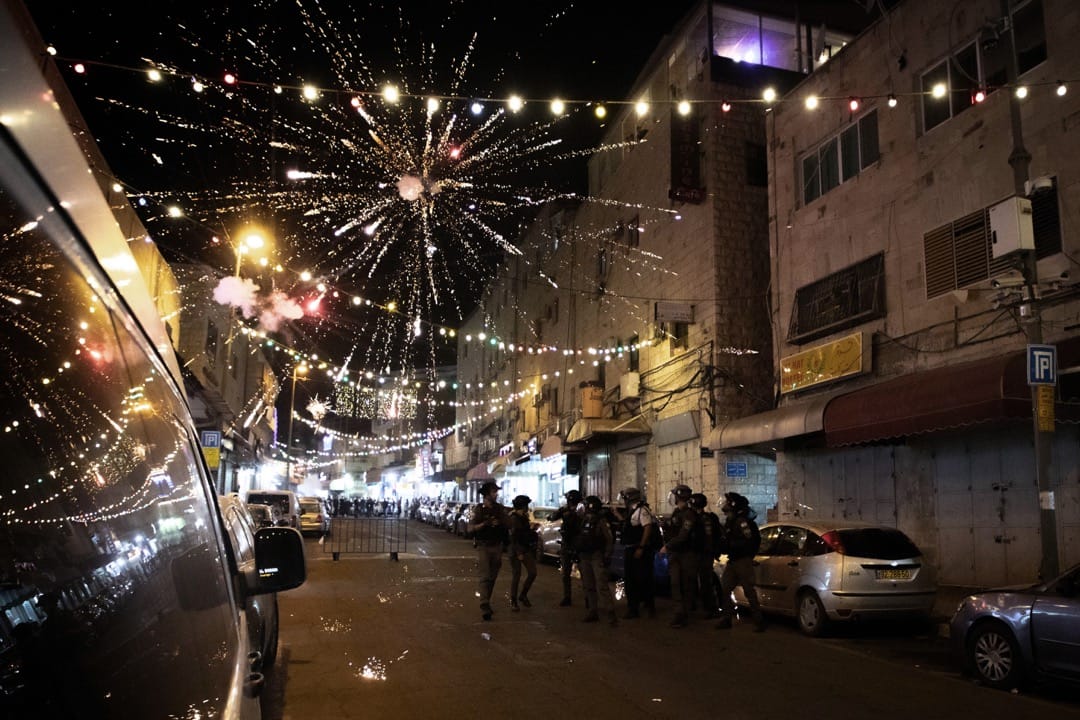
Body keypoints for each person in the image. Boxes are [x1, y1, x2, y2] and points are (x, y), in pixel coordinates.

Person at [715, 492, 765, 632]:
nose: (724, 506)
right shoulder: (732, 521)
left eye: (727, 503)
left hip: (742, 560)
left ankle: (759, 621)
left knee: (749, 590)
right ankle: (726, 618)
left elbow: (748, 542)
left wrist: (731, 545)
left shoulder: (742, 522)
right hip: (733, 560)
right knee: (725, 588)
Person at [468, 481, 510, 621]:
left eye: (496, 491)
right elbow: (470, 528)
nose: (496, 494)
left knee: (492, 576)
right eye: (493, 492)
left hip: (497, 546)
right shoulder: (479, 509)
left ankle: (487, 601)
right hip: (484, 546)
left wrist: (502, 522)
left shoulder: (500, 509)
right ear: (487, 494)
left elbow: (508, 523)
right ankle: (484, 603)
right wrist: (485, 524)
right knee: (485, 575)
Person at [659, 484, 699, 628]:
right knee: (675, 584)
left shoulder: (689, 514)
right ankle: (679, 613)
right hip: (675, 554)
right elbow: (674, 530)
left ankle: (685, 614)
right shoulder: (677, 512)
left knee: (686, 584)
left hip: (686, 554)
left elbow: (683, 536)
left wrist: (667, 546)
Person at [576, 495, 617, 626]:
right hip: (585, 556)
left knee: (601, 585)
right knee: (589, 585)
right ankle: (593, 611)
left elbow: (609, 539)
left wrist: (607, 556)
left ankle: (610, 613)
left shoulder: (601, 521)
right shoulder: (584, 520)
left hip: (596, 555)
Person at [617, 487, 658, 619]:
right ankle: (637, 606)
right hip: (631, 548)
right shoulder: (633, 510)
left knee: (642, 579)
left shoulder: (642, 510)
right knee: (631, 579)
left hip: (638, 550)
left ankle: (642, 607)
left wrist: (641, 547)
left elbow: (647, 528)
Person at [689, 493, 722, 619]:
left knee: (702, 582)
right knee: (704, 582)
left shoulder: (695, 518)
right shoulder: (711, 517)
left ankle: (709, 608)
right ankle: (707, 608)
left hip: (699, 554)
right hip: (706, 554)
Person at [550, 488, 584, 607]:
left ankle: (588, 598)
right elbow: (552, 517)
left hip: (578, 543)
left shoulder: (582, 510)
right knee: (566, 572)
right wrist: (563, 511)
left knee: (584, 572)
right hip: (567, 543)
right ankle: (567, 597)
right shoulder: (565, 510)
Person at [508, 494, 539, 611]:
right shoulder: (514, 518)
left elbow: (524, 534)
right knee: (516, 575)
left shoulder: (523, 517)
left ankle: (523, 595)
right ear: (523, 506)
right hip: (516, 550)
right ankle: (513, 600)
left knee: (532, 572)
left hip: (525, 549)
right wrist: (518, 552)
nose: (528, 507)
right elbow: (514, 537)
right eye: (527, 505)